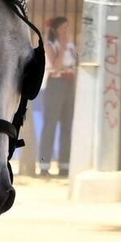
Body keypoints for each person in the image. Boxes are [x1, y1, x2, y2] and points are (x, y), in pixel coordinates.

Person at [40, 15, 77, 177]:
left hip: (69, 85)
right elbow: (56, 66)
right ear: (55, 30)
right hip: (55, 83)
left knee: (67, 126)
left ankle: (65, 165)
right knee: (50, 125)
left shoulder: (71, 47)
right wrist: (62, 47)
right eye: (63, 28)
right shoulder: (50, 45)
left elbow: (76, 65)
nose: (66, 32)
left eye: (67, 28)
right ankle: (44, 164)